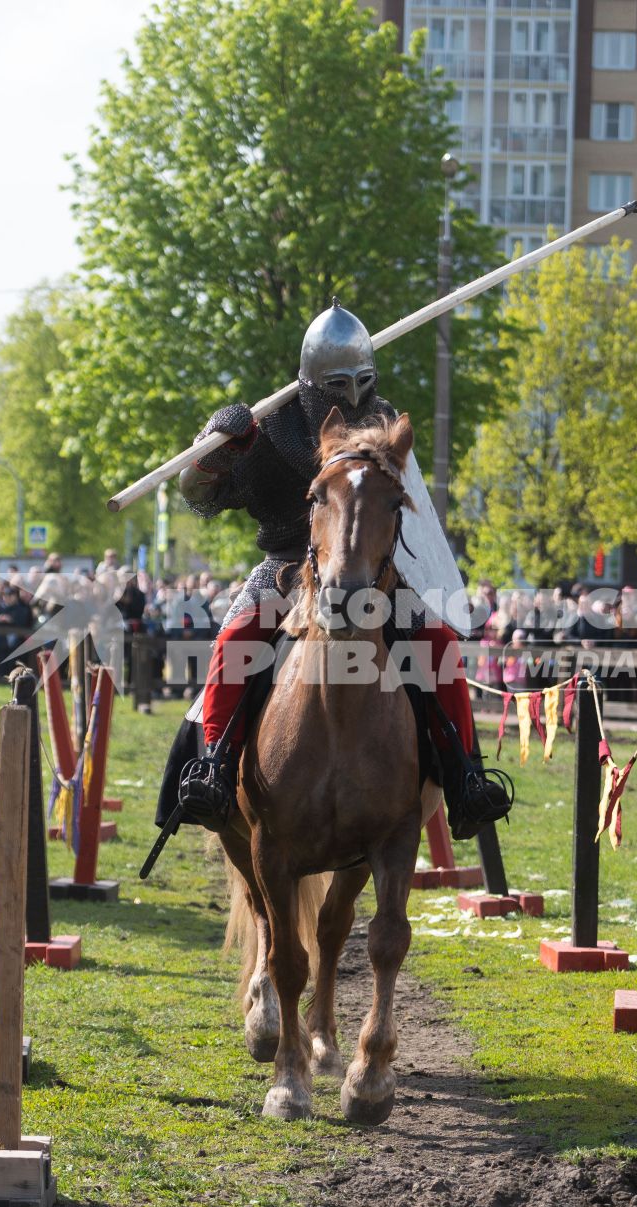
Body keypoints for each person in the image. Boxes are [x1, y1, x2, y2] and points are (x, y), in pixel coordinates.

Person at [171, 302, 511, 839]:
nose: (352, 395)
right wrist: (213, 450)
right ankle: (214, 766)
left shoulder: (384, 421)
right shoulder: (274, 426)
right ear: (310, 382)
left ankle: (465, 776)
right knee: (234, 640)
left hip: (377, 570)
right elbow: (198, 493)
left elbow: (406, 506)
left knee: (439, 642)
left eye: (363, 381)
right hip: (287, 566)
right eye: (337, 384)